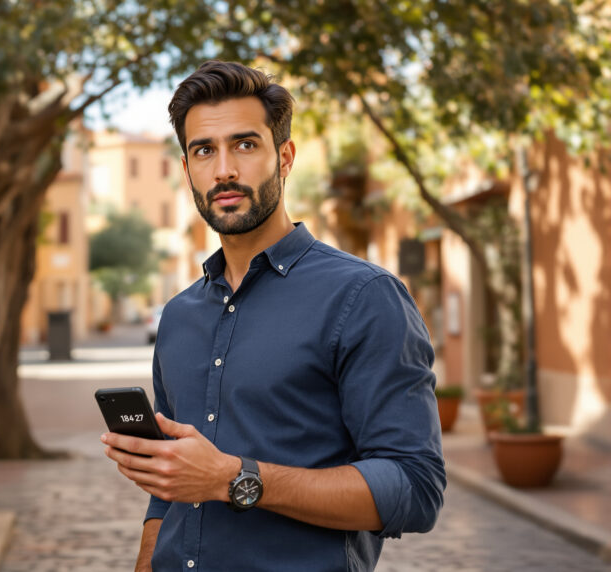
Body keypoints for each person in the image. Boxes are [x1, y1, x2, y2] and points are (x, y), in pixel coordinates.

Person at [100, 60, 446, 571]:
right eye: (204, 150)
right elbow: (170, 486)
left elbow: (415, 489)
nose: (224, 171)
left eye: (245, 145)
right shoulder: (178, 316)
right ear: (186, 169)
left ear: (284, 157)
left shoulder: (365, 297)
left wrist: (232, 479)